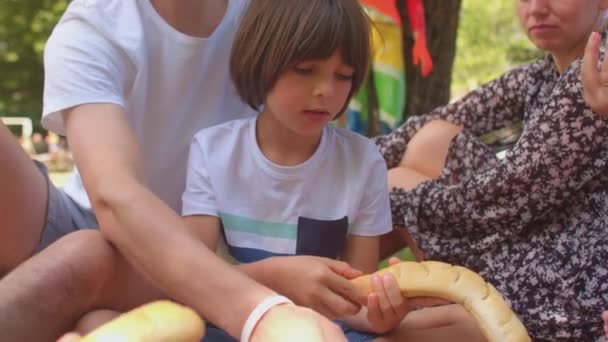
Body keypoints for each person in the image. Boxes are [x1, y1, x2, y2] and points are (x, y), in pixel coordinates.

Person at [0, 0, 362, 341]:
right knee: (84, 256)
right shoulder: (95, 24)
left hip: (189, 250)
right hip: (83, 221)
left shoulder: (270, 17)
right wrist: (263, 311)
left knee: (86, 269)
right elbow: (115, 195)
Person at [175, 0, 482, 340]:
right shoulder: (213, 150)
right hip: (238, 322)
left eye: (343, 76)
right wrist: (276, 276)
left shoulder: (362, 161)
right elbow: (192, 280)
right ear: (260, 61)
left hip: (331, 329)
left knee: (467, 325)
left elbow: (357, 300)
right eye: (305, 70)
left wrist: (382, 312)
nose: (325, 91)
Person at [375, 0, 608, 340]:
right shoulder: (540, 76)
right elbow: (443, 119)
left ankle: (334, 281)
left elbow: (502, 197)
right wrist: (334, 160)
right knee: (431, 140)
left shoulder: (598, 67)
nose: (537, 8)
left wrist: (395, 201)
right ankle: (329, 278)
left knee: (392, 188)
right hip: (543, 243)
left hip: (577, 287)